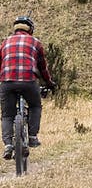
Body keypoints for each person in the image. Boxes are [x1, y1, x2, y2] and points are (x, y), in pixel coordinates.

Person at [1, 16, 54, 160]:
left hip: (7, 82)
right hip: (28, 81)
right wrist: (49, 82)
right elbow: (43, 67)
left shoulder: (5, 42)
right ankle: (32, 136)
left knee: (7, 114)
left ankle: (8, 145)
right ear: (30, 29)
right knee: (36, 106)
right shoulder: (36, 42)